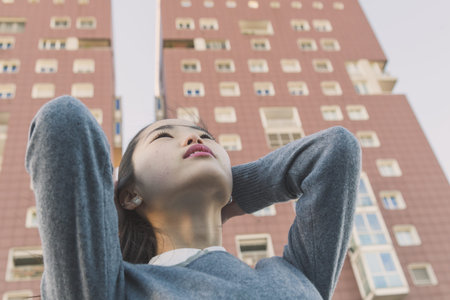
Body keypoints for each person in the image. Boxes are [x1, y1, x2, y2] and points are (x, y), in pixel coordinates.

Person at [25, 95, 362, 299]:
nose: (193, 141)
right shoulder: (109, 287)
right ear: (129, 194)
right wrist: (111, 208)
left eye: (205, 137)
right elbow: (64, 121)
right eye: (164, 136)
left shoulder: (295, 276)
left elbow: (335, 151)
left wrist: (227, 192)